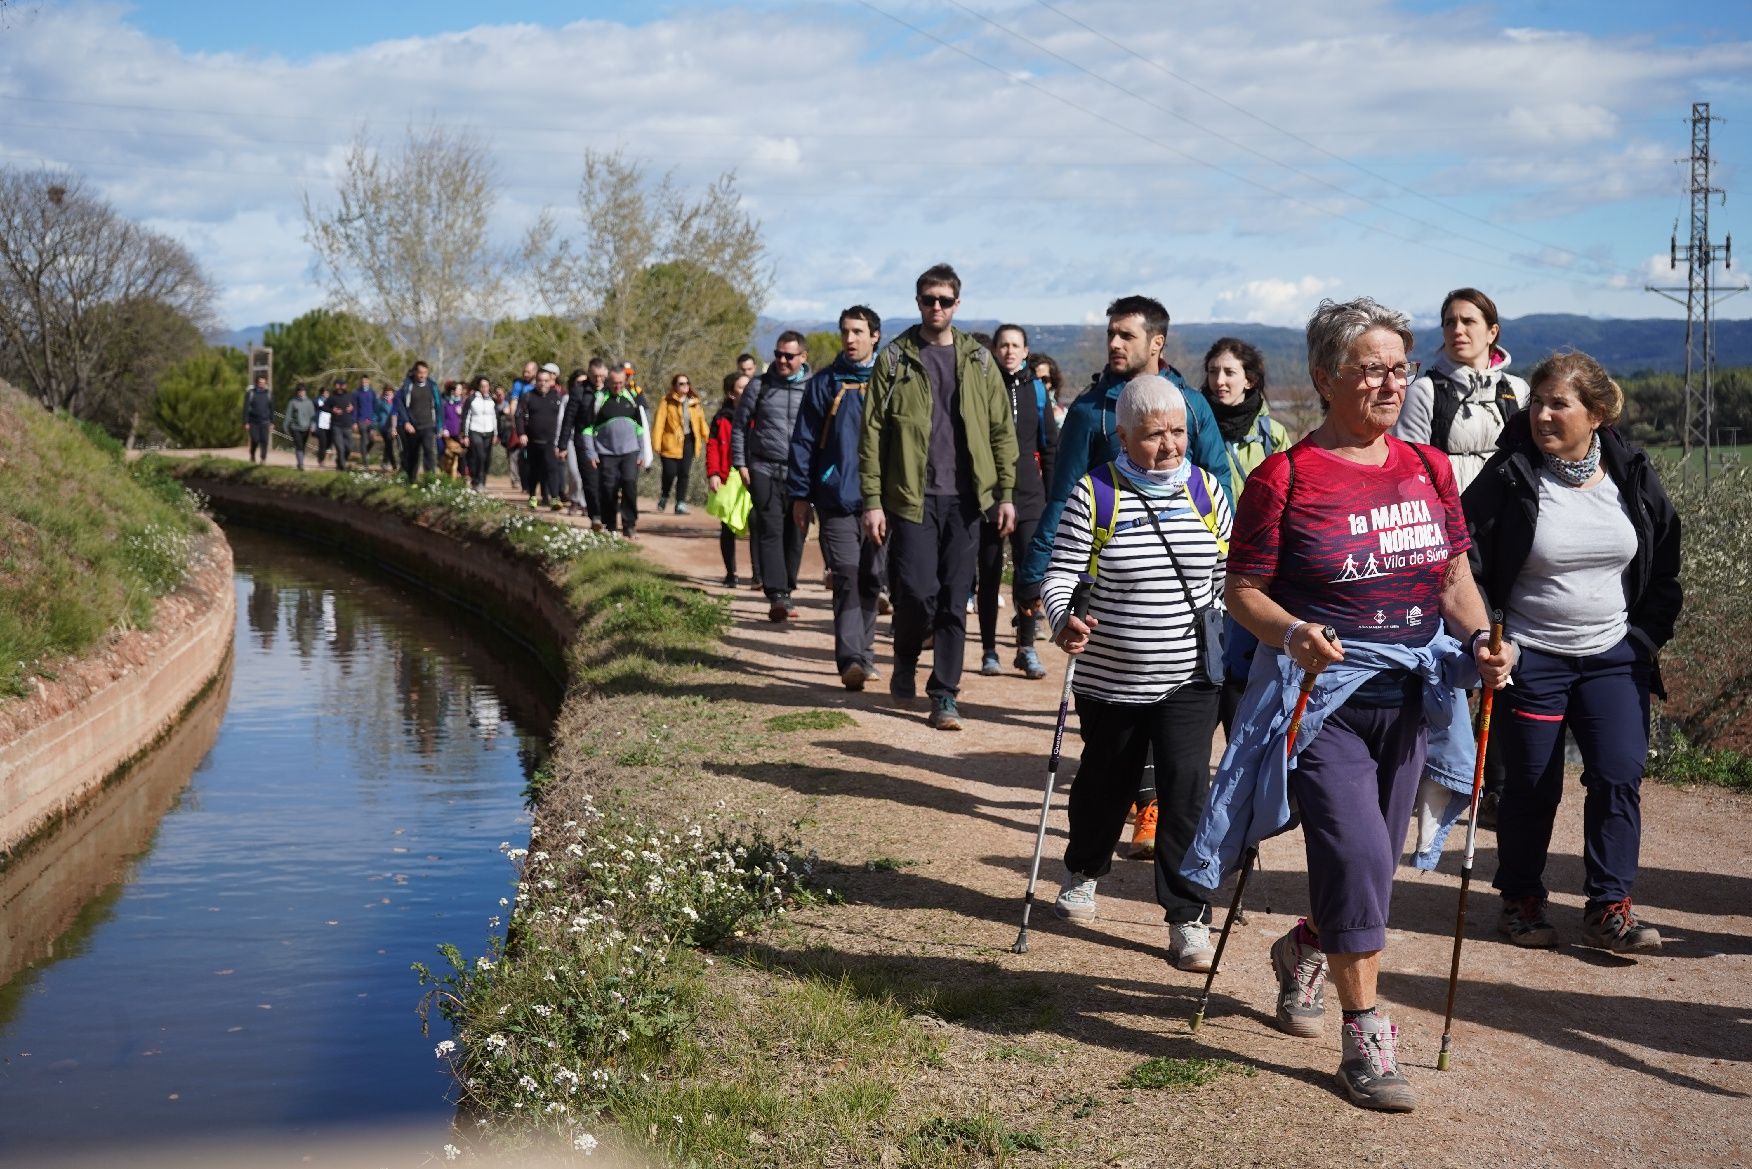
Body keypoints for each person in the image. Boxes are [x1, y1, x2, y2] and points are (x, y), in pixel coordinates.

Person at [1184, 296, 1513, 1114]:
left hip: (1413, 694)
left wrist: (1480, 641)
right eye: (1371, 368)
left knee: (1373, 868)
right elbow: (1244, 592)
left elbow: (1453, 578)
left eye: (1400, 367)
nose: (1390, 382)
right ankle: (1366, 1035)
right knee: (1360, 852)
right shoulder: (1284, 477)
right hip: (1322, 700)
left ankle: (1303, 947)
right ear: (1326, 375)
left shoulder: (1430, 469)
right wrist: (1293, 632)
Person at [1463, 351, 1681, 953]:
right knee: (1532, 784)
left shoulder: (1631, 471)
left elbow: (1664, 563)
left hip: (1614, 654)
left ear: (1598, 413)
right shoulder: (1508, 477)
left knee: (1618, 774)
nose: (1543, 414)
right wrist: (1488, 637)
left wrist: (1642, 640)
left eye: (1559, 403)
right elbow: (1466, 564)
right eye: (1537, 401)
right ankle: (1521, 902)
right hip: (1533, 656)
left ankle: (1610, 907)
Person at [1044, 374, 1230, 977]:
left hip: (1189, 676)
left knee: (1184, 795)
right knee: (1104, 784)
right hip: (1110, 676)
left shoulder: (1208, 492)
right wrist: (1062, 621)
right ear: (1123, 435)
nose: (1170, 445)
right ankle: (1083, 869)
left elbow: (1230, 577)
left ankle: (1187, 917)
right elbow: (1060, 576)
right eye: (1154, 435)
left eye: (1178, 431)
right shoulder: (1095, 493)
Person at [860, 263, 1018, 730]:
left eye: (944, 300)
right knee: (915, 593)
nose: (936, 307)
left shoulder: (979, 360)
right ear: (917, 303)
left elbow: (1000, 432)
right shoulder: (894, 359)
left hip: (967, 499)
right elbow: (871, 436)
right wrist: (872, 501)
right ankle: (906, 655)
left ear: (957, 304)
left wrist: (1005, 493)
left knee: (954, 597)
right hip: (910, 498)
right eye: (928, 299)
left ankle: (944, 693)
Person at [1017, 297, 1234, 611]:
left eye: (1127, 336)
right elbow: (1064, 495)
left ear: (1157, 342)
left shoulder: (1191, 405)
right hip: (1113, 576)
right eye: (1111, 334)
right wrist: (1036, 572)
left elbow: (1219, 486)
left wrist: (1231, 563)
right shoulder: (1090, 409)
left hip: (1185, 572)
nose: (1114, 343)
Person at [788, 306, 885, 689]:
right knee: (846, 574)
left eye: (858, 331)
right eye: (845, 331)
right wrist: (800, 494)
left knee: (873, 576)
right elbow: (804, 441)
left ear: (874, 335)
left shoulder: (889, 381)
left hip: (882, 500)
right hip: (835, 498)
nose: (850, 338)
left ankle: (867, 653)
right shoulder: (824, 383)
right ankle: (851, 661)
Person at [1203, 337, 1291, 733]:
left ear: (1250, 380)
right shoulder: (1195, 426)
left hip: (1257, 563)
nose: (1219, 380)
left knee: (1244, 660)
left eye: (1229, 372)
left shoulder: (1273, 435)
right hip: (1205, 557)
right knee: (1209, 661)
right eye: (1212, 371)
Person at [1392, 288, 1530, 492]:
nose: (1457, 330)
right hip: (1450, 516)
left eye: (1468, 321)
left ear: (1492, 332)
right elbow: (1411, 469)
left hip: (1508, 516)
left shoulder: (1518, 390)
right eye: (1449, 322)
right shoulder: (1424, 392)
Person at [978, 324, 1057, 680]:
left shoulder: (1037, 389)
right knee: (990, 573)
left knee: (1028, 576)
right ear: (995, 350)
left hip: (1030, 494)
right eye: (1003, 345)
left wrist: (1054, 496)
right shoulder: (981, 385)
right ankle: (989, 650)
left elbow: (1050, 445)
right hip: (989, 494)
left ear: (1025, 351)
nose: (1009, 351)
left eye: (1016, 345)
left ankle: (1026, 648)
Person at [735, 332, 812, 621]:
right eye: (778, 354)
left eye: (789, 356)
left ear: (803, 357)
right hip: (764, 467)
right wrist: (741, 463)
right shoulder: (759, 385)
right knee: (770, 528)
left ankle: (787, 588)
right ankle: (777, 595)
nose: (781, 360)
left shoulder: (813, 387)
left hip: (800, 472)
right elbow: (740, 426)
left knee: (796, 532)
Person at [584, 365, 649, 536]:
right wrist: (591, 452)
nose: (617, 386)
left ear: (625, 381)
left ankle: (629, 525)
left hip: (630, 451)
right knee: (608, 488)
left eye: (620, 382)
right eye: (614, 383)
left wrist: (642, 452)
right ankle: (610, 525)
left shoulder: (633, 397)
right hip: (606, 453)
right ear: (608, 381)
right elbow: (587, 429)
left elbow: (642, 428)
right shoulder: (599, 399)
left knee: (629, 484)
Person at [708, 373, 751, 586]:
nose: (748, 390)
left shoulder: (759, 414)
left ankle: (759, 575)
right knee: (727, 526)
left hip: (753, 475)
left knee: (757, 523)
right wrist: (713, 473)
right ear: (731, 394)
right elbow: (713, 447)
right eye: (742, 387)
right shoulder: (721, 418)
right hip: (728, 476)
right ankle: (731, 572)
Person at [516, 363, 570, 510]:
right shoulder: (528, 397)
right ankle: (533, 496)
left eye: (546, 381)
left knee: (552, 469)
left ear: (551, 381)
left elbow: (564, 419)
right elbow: (519, 416)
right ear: (536, 380)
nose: (543, 383)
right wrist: (521, 433)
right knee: (534, 470)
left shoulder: (557, 398)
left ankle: (554, 498)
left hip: (551, 441)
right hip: (533, 441)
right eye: (540, 380)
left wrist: (561, 442)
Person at [654, 372, 709, 515]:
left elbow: (701, 423)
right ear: (675, 386)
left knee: (684, 473)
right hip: (670, 442)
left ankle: (680, 503)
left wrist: (709, 439)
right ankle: (664, 495)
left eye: (687, 383)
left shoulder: (694, 403)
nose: (685, 386)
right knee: (669, 473)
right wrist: (656, 443)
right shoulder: (666, 401)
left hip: (689, 442)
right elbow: (659, 423)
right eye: (681, 383)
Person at [392, 361, 442, 483]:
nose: (422, 375)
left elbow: (439, 406)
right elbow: (399, 404)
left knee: (429, 453)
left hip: (428, 425)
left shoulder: (433, 387)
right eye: (420, 373)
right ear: (415, 372)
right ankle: (411, 480)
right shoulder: (407, 386)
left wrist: (440, 425)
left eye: (425, 373)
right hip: (412, 426)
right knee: (413, 455)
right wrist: (406, 422)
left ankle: (430, 481)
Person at [562, 367, 599, 518]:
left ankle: (584, 503)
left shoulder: (595, 396)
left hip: (589, 441)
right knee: (574, 473)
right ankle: (574, 499)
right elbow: (564, 421)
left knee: (588, 474)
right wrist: (561, 444)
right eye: (578, 382)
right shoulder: (567, 398)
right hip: (572, 440)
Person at [462, 375, 498, 490]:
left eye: (487, 386)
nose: (485, 388)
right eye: (482, 386)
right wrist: (465, 435)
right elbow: (466, 418)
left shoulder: (492, 400)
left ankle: (482, 481)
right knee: (479, 455)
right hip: (475, 430)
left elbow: (495, 418)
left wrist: (496, 434)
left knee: (486, 458)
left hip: (489, 432)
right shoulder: (471, 399)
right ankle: (476, 480)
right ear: (478, 387)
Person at [243, 374, 274, 463]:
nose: (262, 384)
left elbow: (272, 408)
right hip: (253, 422)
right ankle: (252, 453)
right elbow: (246, 408)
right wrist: (246, 422)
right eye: (260, 382)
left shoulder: (269, 394)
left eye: (263, 382)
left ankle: (263, 458)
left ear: (266, 383)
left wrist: (272, 422)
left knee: (264, 441)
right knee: (255, 439)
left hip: (265, 421)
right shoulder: (251, 393)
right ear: (256, 383)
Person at [439, 380, 467, 478]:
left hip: (459, 434)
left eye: (461, 389)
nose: (460, 391)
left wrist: (462, 413)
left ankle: (462, 475)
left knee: (461, 455)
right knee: (445, 455)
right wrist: (444, 428)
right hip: (447, 434)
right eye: (458, 389)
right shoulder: (445, 403)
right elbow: (442, 417)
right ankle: (444, 475)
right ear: (452, 391)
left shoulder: (463, 403)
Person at [327, 377, 355, 470]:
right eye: (338, 385)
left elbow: (356, 407)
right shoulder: (332, 397)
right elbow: (323, 407)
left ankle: (339, 461)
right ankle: (342, 467)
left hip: (347, 426)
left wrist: (352, 408)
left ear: (345, 386)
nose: (340, 387)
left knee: (349, 447)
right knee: (340, 448)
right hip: (336, 426)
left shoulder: (350, 396)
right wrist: (332, 410)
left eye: (342, 385)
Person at [353, 375, 381, 468]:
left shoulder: (372, 393)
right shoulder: (357, 393)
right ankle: (365, 463)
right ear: (360, 382)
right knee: (364, 439)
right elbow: (355, 408)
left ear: (368, 382)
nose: (364, 383)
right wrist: (354, 422)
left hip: (371, 420)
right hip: (361, 420)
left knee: (372, 440)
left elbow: (376, 407)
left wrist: (375, 420)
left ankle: (364, 453)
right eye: (362, 382)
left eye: (365, 382)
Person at [285, 384, 315, 469]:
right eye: (299, 391)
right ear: (297, 392)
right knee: (299, 445)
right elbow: (288, 415)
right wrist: (286, 426)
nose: (301, 392)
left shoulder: (309, 402)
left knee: (302, 445)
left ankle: (300, 462)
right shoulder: (292, 402)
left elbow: (312, 416)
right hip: (295, 428)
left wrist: (313, 426)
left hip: (306, 428)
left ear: (305, 392)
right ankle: (301, 464)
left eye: (303, 391)